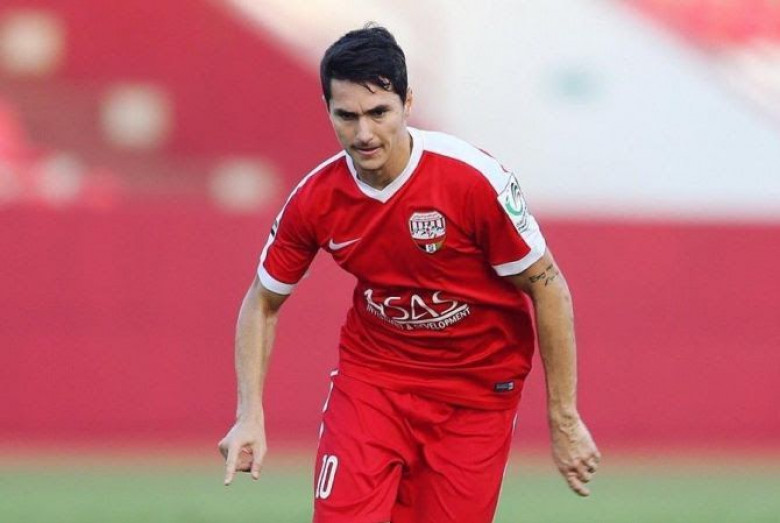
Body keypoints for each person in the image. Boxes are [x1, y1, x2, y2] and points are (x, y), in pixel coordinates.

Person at [219, 24, 600, 523]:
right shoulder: (316, 199)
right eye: (347, 115)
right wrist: (249, 413)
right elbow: (262, 300)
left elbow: (548, 288)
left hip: (475, 392)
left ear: (408, 103)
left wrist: (564, 417)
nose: (364, 133)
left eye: (379, 112)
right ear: (328, 110)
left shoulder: (471, 180)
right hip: (376, 381)